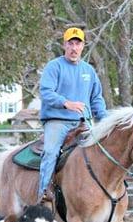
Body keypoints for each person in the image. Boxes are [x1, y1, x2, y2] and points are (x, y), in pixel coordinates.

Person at [38, 27, 107, 203]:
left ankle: (109, 195)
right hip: (57, 121)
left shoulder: (89, 71)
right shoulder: (54, 67)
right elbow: (46, 92)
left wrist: (106, 121)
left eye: (78, 43)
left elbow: (96, 98)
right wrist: (65, 102)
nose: (74, 47)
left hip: (83, 122)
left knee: (104, 150)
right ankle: (44, 192)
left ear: (83, 46)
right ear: (64, 45)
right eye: (71, 43)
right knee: (50, 152)